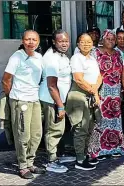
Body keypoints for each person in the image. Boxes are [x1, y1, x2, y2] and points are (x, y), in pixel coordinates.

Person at [2, 30, 46, 179]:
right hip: (20, 100)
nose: (31, 42)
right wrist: (12, 97)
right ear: (23, 41)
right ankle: (22, 166)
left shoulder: (39, 57)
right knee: (22, 134)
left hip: (35, 99)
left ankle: (30, 162)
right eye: (28, 39)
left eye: (34, 39)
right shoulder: (17, 57)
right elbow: (6, 80)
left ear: (38, 42)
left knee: (36, 134)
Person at [39, 29, 75, 173]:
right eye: (61, 41)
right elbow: (52, 85)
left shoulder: (62, 56)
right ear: (54, 42)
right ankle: (51, 161)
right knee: (53, 130)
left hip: (60, 99)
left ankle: (59, 154)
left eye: (66, 41)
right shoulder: (51, 58)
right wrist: (60, 106)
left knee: (59, 128)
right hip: (52, 100)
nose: (64, 44)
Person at [87, 30, 124, 161]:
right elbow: (91, 73)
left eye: (113, 39)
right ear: (102, 40)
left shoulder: (118, 54)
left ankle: (114, 148)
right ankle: (97, 150)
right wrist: (93, 92)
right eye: (108, 38)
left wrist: (122, 92)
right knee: (99, 121)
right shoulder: (95, 53)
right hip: (101, 91)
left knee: (115, 121)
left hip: (115, 92)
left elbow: (122, 74)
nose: (111, 41)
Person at [65, 33, 101, 171]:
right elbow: (79, 79)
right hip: (79, 96)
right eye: (83, 42)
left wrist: (95, 91)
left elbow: (99, 77)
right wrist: (93, 91)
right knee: (80, 128)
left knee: (89, 127)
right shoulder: (76, 58)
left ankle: (85, 155)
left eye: (89, 42)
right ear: (78, 44)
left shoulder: (92, 58)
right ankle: (79, 159)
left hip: (90, 95)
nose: (86, 44)